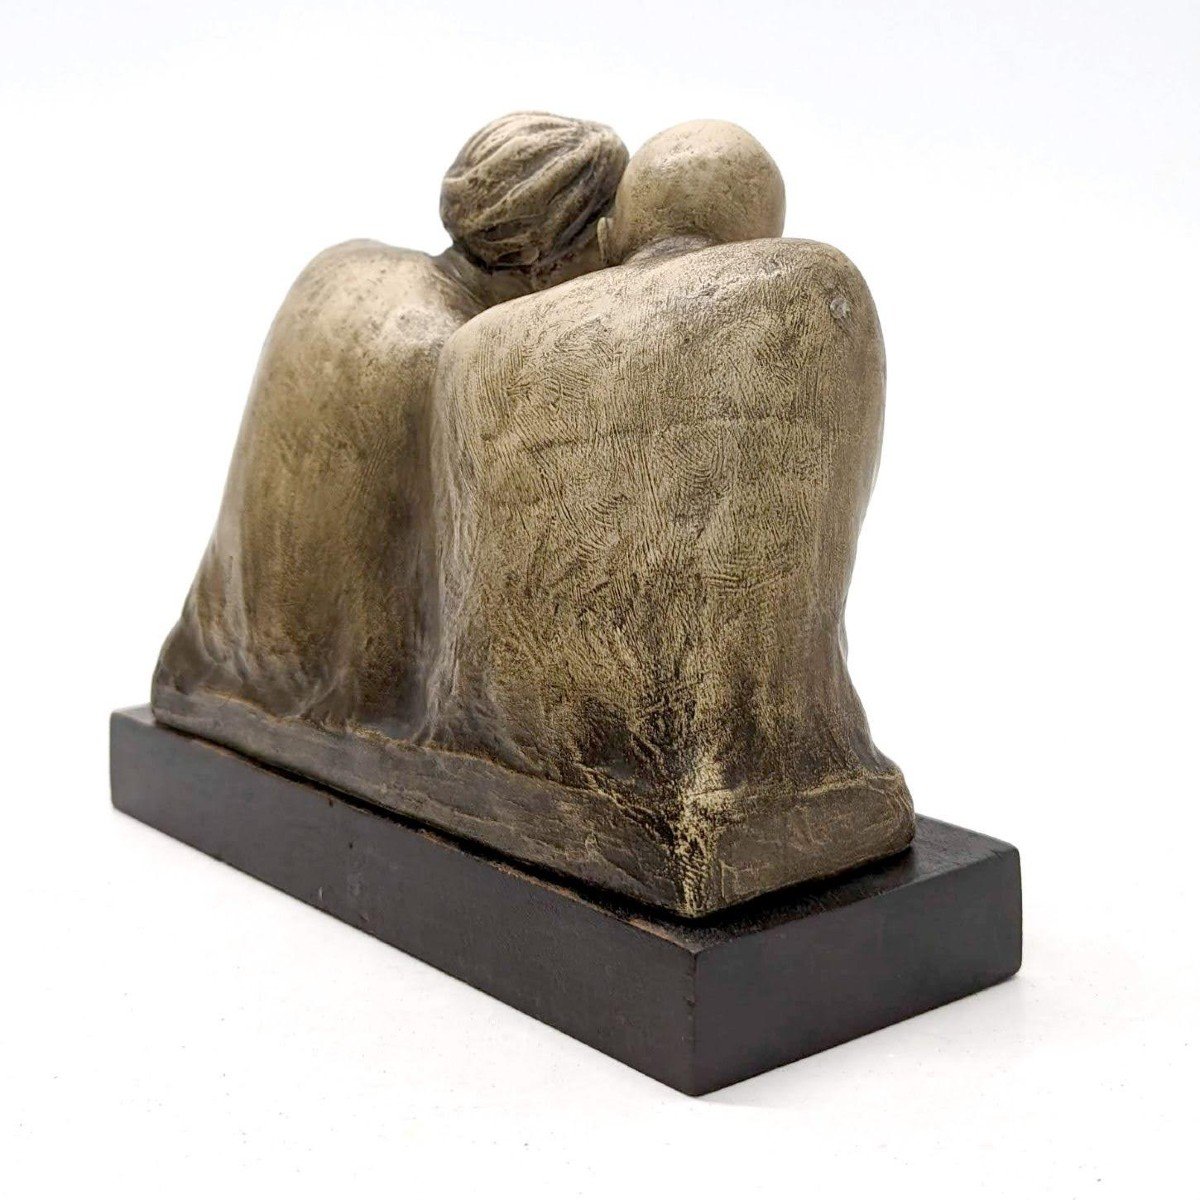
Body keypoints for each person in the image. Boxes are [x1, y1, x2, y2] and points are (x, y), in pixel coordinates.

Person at [428, 121, 914, 903]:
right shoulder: (805, 288)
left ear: (614, 233)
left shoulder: (473, 349)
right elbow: (809, 554)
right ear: (759, 232)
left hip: (496, 761)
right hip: (732, 797)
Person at [152, 113, 627, 753]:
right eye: (605, 243)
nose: (613, 267)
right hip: (351, 713)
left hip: (218, 661)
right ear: (546, 257)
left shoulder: (339, 263)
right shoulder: (454, 358)